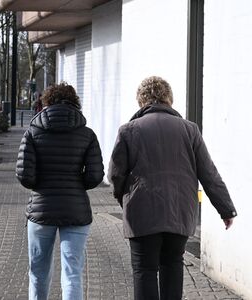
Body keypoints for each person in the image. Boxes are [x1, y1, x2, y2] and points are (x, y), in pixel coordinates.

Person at [109, 76, 237, 300]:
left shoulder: (128, 130)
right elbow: (209, 174)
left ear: (141, 101)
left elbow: (115, 174)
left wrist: (123, 198)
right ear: (169, 99)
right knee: (173, 267)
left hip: (142, 214)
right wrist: (226, 210)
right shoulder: (190, 130)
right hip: (179, 212)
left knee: (144, 271)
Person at [16, 82, 104, 300]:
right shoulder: (87, 134)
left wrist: (42, 184)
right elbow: (95, 176)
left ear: (47, 102)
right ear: (75, 103)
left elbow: (25, 175)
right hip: (76, 210)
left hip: (41, 209)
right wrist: (75, 184)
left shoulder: (33, 132)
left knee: (38, 271)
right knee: (72, 272)